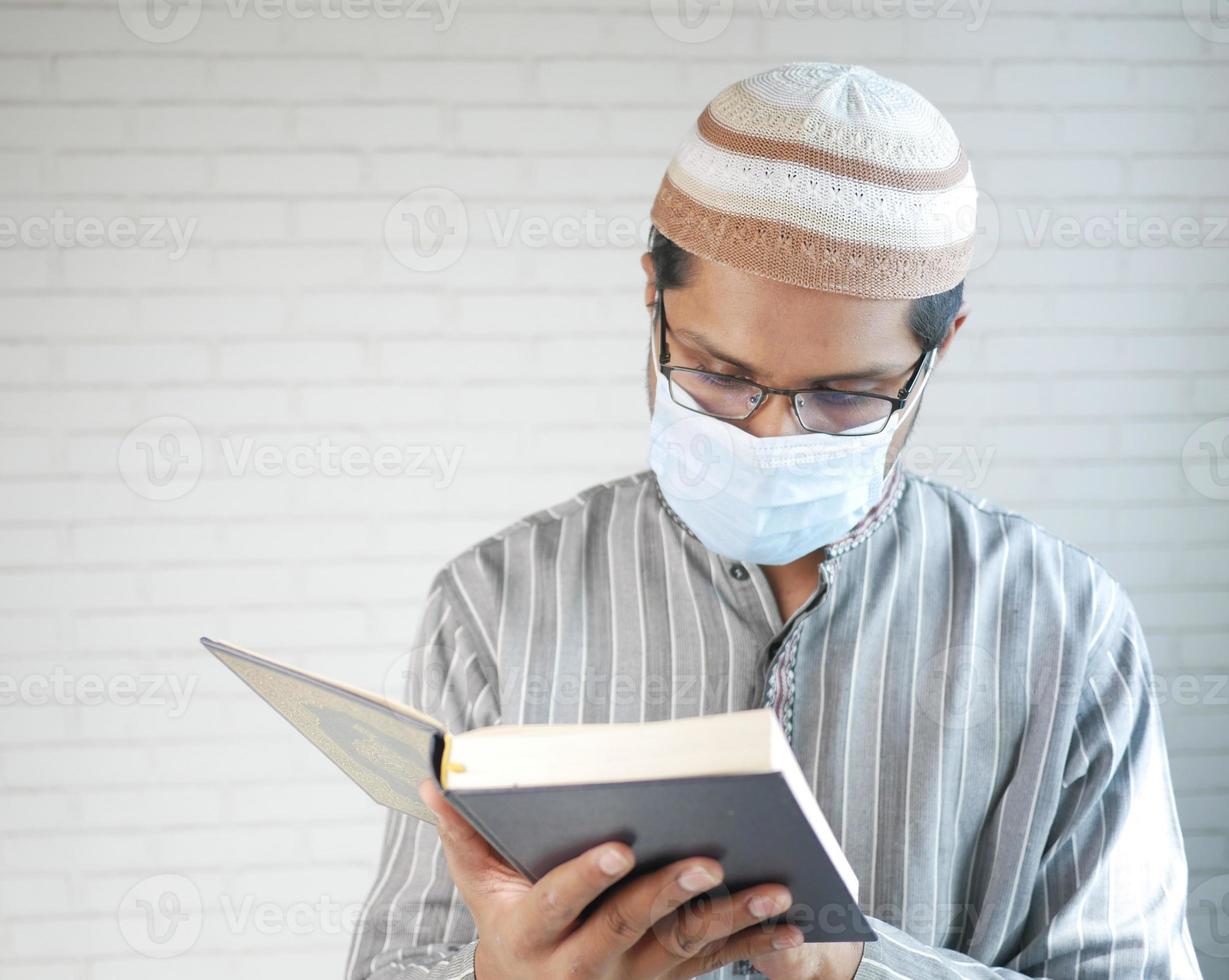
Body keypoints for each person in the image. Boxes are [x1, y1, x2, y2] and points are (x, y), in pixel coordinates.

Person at [345, 62, 1202, 980]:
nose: (762, 434)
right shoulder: (496, 598)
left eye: (840, 398)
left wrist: (855, 967)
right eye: (716, 374)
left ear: (936, 351)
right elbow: (393, 961)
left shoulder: (1063, 621)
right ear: (652, 297)